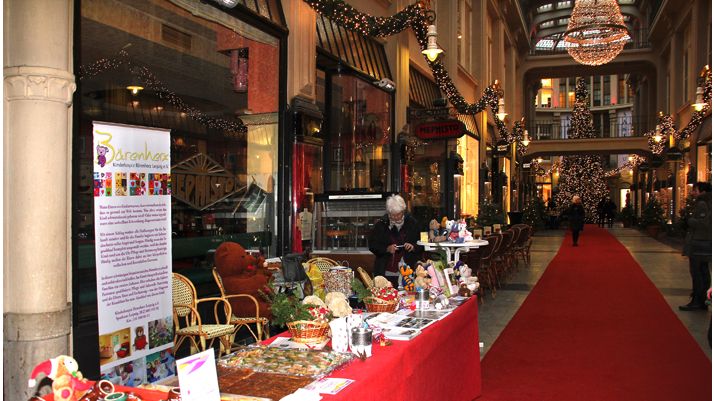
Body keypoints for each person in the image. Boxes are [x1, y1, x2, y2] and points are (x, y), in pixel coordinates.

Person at [368, 194, 421, 288]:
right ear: (388, 213)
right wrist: (387, 249)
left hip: (408, 272)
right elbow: (372, 245)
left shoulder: (413, 223)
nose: (396, 217)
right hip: (385, 271)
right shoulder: (381, 224)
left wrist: (413, 247)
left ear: (403, 211)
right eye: (392, 215)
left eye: (398, 214)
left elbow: (422, 243)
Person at [679, 182, 712, 311]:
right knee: (703, 271)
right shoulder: (708, 202)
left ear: (702, 192)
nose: (693, 193)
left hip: (699, 242)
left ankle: (698, 300)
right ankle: (702, 299)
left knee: (697, 272)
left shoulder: (702, 204)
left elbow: (704, 224)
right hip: (705, 242)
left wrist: (689, 220)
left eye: (695, 190)